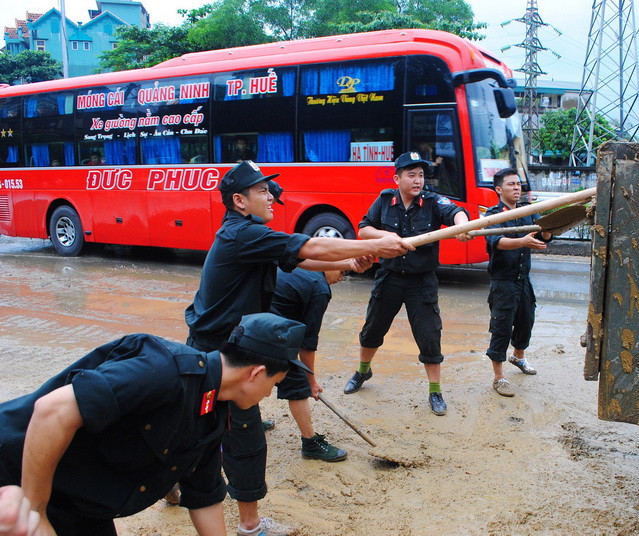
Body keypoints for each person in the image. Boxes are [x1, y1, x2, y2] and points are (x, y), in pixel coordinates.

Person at [185, 160, 412, 536]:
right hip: (219, 354)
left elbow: (302, 258)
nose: (271, 196)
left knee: (202, 430)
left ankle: (177, 490)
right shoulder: (242, 234)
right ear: (239, 201)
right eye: (262, 191)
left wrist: (351, 262)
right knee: (244, 437)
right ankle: (250, 526)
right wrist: (377, 242)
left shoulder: (247, 234)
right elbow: (308, 244)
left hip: (217, 347)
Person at [0, 313, 311, 536]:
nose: (271, 394)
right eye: (275, 383)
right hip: (18, 474)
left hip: (78, 501)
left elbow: (204, 496)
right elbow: (51, 410)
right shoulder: (165, 370)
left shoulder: (213, 412)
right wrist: (34, 511)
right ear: (256, 373)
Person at [343, 151, 471, 416]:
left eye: (421, 175)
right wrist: (387, 237)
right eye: (411, 175)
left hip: (421, 281)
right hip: (389, 277)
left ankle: (435, 390)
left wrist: (462, 226)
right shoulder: (384, 201)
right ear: (397, 178)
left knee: (429, 336)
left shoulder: (433, 201)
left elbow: (456, 212)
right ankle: (362, 372)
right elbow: (364, 229)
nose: (417, 180)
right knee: (372, 330)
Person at [484, 168, 551, 397]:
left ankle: (518, 357)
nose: (516, 188)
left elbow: (543, 235)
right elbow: (497, 242)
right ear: (498, 189)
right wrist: (522, 241)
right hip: (503, 281)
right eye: (511, 184)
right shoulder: (493, 215)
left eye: (518, 184)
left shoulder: (527, 212)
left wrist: (550, 230)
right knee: (501, 327)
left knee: (526, 320)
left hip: (524, 280)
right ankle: (499, 377)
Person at [269, 268, 346, 462]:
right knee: (297, 382)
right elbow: (307, 344)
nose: (341, 278)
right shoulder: (319, 288)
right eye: (342, 271)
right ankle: (310, 443)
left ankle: (247, 421)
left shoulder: (299, 266)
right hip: (266, 327)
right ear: (329, 263)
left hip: (246, 320)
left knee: (252, 371)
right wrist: (310, 382)